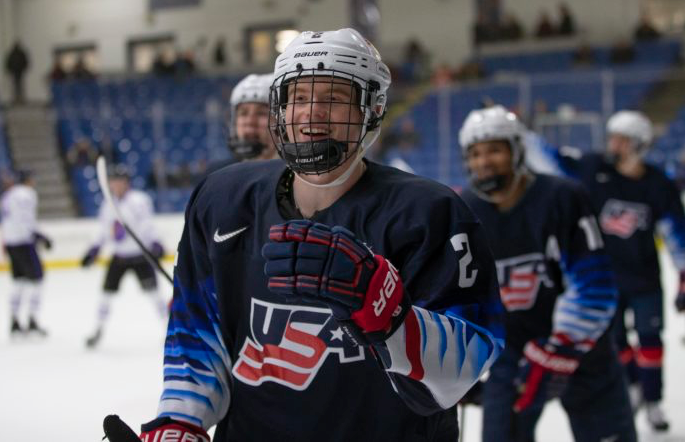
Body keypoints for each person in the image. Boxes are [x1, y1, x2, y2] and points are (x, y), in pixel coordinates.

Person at [103, 28, 504, 442]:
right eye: (297, 97)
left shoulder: (428, 214)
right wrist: (180, 422)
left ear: (373, 109)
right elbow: (200, 335)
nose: (311, 113)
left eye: (333, 98)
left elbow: (463, 373)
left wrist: (391, 317)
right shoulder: (222, 201)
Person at [459, 106, 636, 442]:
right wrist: (463, 366)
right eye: (475, 154)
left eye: (494, 150)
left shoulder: (562, 197)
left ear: (517, 151)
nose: (483, 161)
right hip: (511, 352)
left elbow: (595, 285)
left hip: (583, 350)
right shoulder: (465, 211)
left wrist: (558, 350)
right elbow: (463, 291)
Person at [546, 110, 685, 431]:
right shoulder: (596, 169)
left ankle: (653, 401)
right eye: (612, 137)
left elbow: (676, 234)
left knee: (650, 339)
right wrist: (519, 135)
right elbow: (554, 160)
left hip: (645, 278)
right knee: (616, 340)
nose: (612, 144)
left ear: (638, 145)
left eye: (620, 139)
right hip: (605, 279)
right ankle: (634, 386)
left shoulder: (657, 184)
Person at [81, 166, 167, 348]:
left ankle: (169, 330)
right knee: (106, 294)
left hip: (140, 256)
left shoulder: (139, 200)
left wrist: (156, 243)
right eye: (113, 181)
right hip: (119, 257)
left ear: (126, 182)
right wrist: (94, 249)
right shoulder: (108, 204)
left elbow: (147, 225)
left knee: (154, 294)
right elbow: (104, 230)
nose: (115, 185)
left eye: (119, 181)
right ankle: (97, 330)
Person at [0, 170, 51, 336]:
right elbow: (26, 218)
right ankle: (32, 319)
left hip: (11, 243)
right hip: (24, 242)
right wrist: (38, 235)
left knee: (19, 281)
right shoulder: (27, 194)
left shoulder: (8, 195)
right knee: (38, 280)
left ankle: (14, 320)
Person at [206, 73, 277, 175]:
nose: (250, 121)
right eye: (243, 113)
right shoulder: (218, 175)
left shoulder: (297, 177)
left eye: (261, 113)